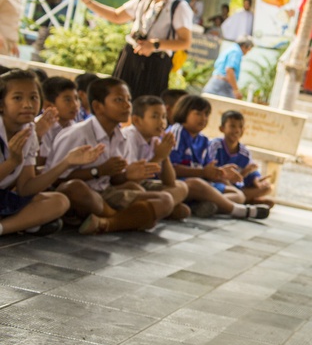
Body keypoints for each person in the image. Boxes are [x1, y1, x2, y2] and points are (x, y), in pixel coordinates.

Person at [46, 77, 175, 234]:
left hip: (106, 193)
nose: (127, 105)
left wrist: (127, 174)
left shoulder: (120, 137)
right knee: (75, 188)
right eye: (119, 100)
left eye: (128, 99)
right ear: (98, 106)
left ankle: (105, 223)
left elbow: (114, 180)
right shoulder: (77, 134)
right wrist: (98, 171)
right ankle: (122, 219)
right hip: (83, 195)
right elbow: (56, 179)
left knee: (166, 200)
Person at [0, 70, 101, 236]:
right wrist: (12, 162)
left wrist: (66, 162)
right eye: (17, 98)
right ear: (1, 104)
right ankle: (25, 223)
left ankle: (3, 228)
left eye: (33, 97)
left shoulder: (29, 132)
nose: (27, 104)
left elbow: (25, 188)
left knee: (59, 201)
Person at [78, 0, 193, 98]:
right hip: (131, 55)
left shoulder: (179, 7)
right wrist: (89, 3)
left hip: (155, 63)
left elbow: (185, 42)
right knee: (116, 98)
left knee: (143, 107)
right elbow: (117, 16)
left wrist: (155, 45)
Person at [167, 95, 270, 220]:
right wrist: (203, 172)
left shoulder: (203, 140)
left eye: (206, 115)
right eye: (198, 113)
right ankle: (239, 210)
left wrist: (221, 173)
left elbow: (208, 170)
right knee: (196, 183)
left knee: (238, 195)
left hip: (202, 185)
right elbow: (171, 168)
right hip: (181, 184)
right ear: (183, 112)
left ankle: (202, 205)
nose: (203, 118)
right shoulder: (177, 131)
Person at [122, 95, 190, 221]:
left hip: (143, 186)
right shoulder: (128, 137)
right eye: (155, 116)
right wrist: (159, 156)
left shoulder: (154, 138)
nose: (162, 122)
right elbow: (132, 180)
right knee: (136, 189)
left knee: (182, 187)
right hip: (125, 185)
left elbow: (170, 182)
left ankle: (159, 208)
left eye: (164, 117)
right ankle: (161, 208)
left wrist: (165, 155)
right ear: (137, 120)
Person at [206, 110, 274, 207]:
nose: (237, 130)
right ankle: (243, 200)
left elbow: (252, 172)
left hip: (236, 188)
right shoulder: (215, 145)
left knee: (268, 188)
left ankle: (239, 199)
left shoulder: (244, 152)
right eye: (232, 126)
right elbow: (211, 171)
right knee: (224, 182)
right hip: (217, 184)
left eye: (240, 127)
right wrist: (238, 174)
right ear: (222, 128)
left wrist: (256, 180)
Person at [37, 77, 81, 166]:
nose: (75, 105)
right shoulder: (41, 127)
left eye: (76, 98)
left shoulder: (74, 126)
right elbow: (40, 163)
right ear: (48, 105)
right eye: (67, 100)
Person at [202, 35, 254, 100]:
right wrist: (236, 90)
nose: (247, 52)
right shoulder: (236, 52)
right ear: (244, 46)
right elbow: (229, 70)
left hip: (215, 83)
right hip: (222, 85)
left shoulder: (231, 48)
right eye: (249, 49)